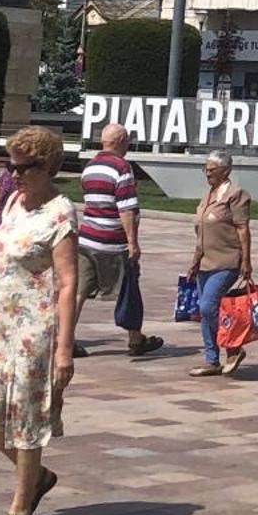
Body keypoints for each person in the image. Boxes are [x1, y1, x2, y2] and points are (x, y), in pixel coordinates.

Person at [0, 125, 78, 515]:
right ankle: (38, 477)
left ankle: (20, 509)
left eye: (24, 168)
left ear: (47, 167)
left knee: (27, 419)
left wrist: (65, 349)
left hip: (35, 330)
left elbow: (67, 282)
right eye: (11, 167)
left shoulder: (60, 212)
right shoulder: (12, 200)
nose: (15, 175)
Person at [70, 123, 162, 360]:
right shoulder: (122, 167)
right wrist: (132, 241)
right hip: (112, 240)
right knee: (129, 287)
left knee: (80, 290)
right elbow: (126, 208)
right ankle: (135, 339)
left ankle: (66, 337)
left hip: (87, 237)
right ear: (121, 141)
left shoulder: (90, 167)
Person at [186, 149, 253, 378]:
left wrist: (246, 260)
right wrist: (194, 262)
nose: (207, 174)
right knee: (206, 312)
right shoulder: (208, 195)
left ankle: (233, 349)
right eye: (205, 169)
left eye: (211, 170)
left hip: (227, 262)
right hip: (205, 263)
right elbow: (201, 234)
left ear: (225, 171)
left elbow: (243, 228)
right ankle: (212, 360)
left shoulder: (235, 194)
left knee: (208, 306)